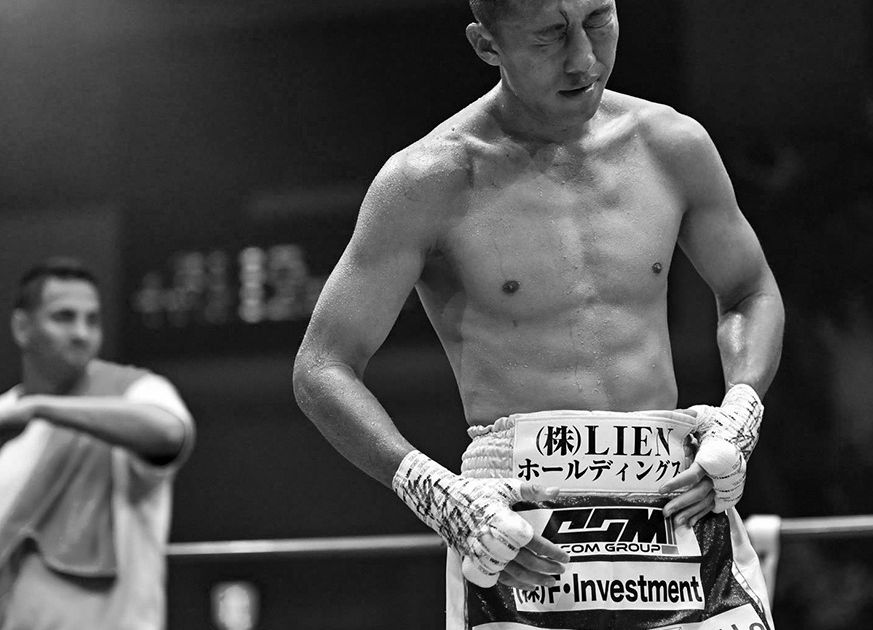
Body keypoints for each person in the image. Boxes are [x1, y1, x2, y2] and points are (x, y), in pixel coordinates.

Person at [293, 0, 784, 628]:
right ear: (486, 45)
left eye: (599, 20)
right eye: (550, 36)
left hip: (679, 500)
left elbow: (749, 290)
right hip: (517, 528)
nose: (584, 58)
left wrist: (741, 412)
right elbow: (322, 367)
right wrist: (434, 493)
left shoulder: (670, 144)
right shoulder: (430, 179)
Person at [0, 258, 195, 629]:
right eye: (64, 317)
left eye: (92, 320)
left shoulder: (133, 391)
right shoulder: (5, 414)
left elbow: (171, 433)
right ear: (22, 327)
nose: (81, 333)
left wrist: (42, 408)